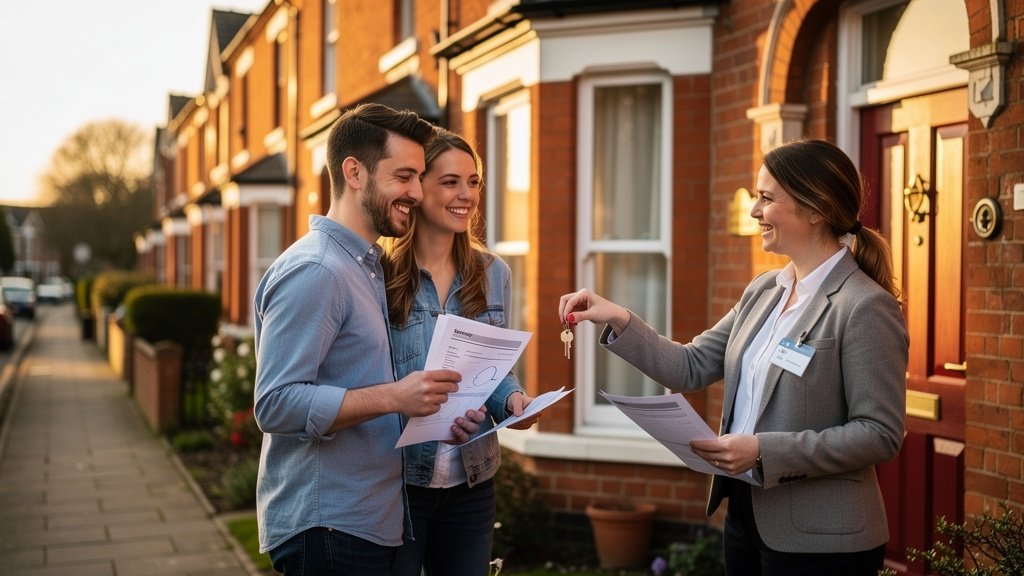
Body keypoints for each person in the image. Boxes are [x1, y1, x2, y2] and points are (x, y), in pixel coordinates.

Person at [558, 139, 909, 576]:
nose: (754, 211)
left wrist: (764, 450)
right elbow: (689, 366)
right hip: (745, 516)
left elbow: (879, 433)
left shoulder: (864, 306)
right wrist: (617, 316)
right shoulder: (763, 291)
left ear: (815, 207)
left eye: (766, 198)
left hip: (823, 539)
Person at [252, 103, 484, 574]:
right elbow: (274, 404)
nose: (417, 193)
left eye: (420, 178)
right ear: (354, 173)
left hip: (367, 523)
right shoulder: (319, 270)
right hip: (332, 529)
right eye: (404, 176)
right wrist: (395, 397)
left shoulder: (365, 266)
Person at [383, 127, 537, 576]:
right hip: (399, 484)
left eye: (473, 182)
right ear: (417, 187)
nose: (465, 194)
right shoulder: (382, 275)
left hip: (472, 479)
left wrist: (513, 401)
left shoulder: (493, 273)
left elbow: (495, 370)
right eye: (450, 182)